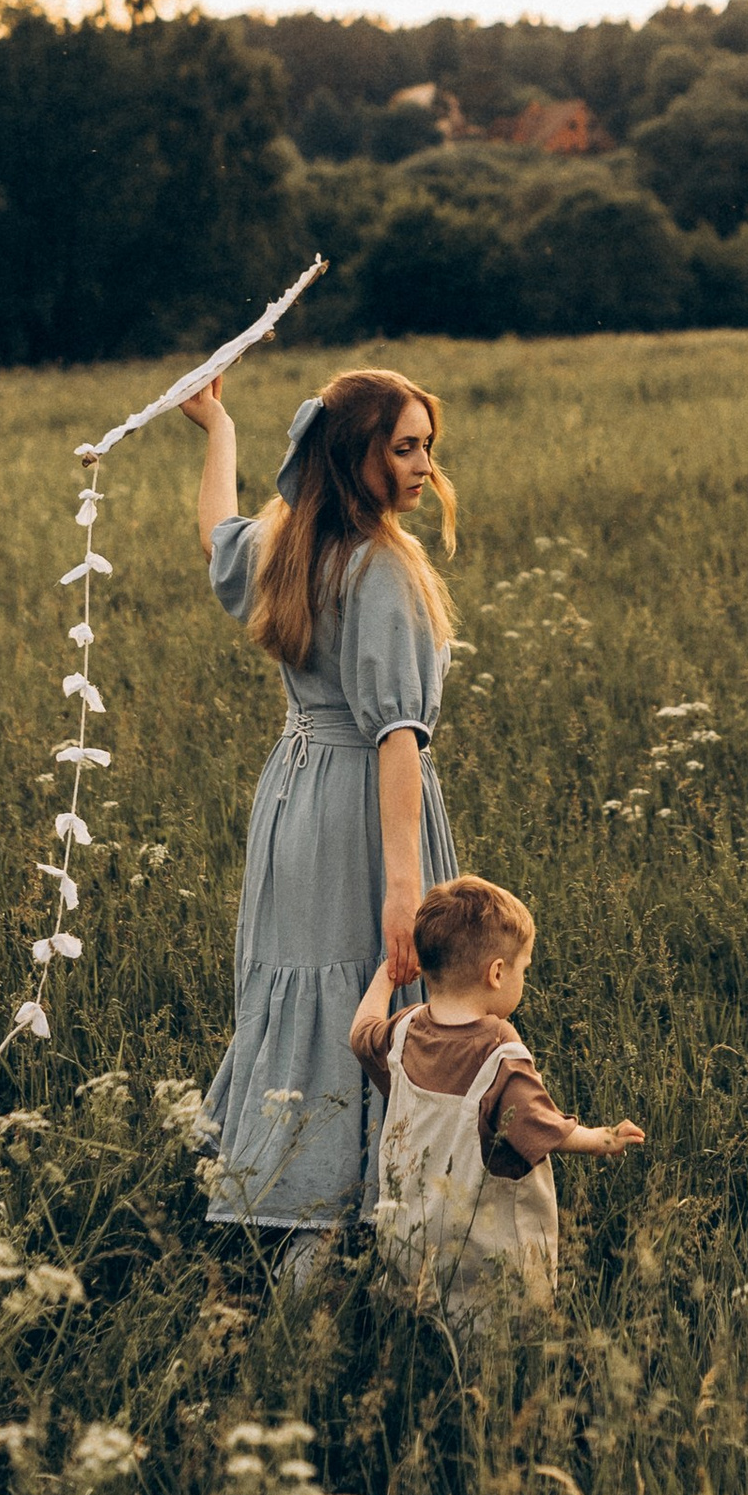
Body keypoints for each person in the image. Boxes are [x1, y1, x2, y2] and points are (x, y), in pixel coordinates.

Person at [180, 368, 461, 1278]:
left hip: (294, 799)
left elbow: (218, 535)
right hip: (362, 811)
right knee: (374, 994)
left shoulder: (289, 543)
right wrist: (406, 891)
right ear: (358, 456)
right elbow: (395, 738)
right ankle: (340, 1249)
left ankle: (288, 1215)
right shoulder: (380, 566)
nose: (425, 466)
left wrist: (216, 429)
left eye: (428, 446)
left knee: (307, 1000)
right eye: (405, 447)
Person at [364, 873, 643, 1324]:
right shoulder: (500, 1051)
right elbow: (536, 1123)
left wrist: (387, 976)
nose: (523, 977)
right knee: (496, 1331)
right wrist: (601, 1138)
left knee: (416, 1321)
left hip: (410, 1239)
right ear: (497, 973)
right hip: (481, 1251)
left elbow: (360, 1032)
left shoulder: (404, 1031)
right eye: (523, 968)